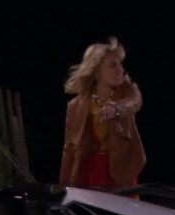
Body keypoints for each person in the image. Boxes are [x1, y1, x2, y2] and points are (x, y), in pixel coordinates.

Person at [60, 37, 146, 189]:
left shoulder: (128, 91)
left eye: (120, 64)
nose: (120, 70)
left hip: (120, 171)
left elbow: (134, 103)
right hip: (89, 173)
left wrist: (116, 111)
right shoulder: (76, 105)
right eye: (113, 65)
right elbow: (69, 149)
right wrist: (63, 187)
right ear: (96, 71)